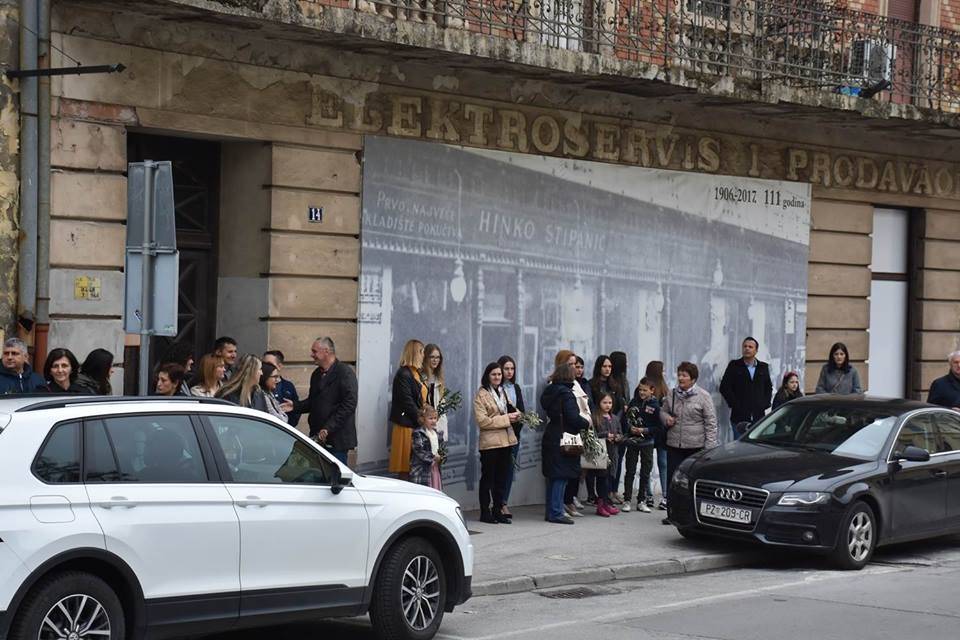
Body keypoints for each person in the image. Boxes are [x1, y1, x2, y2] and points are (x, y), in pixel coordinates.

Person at [660, 361, 718, 524]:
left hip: (695, 447)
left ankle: (692, 514)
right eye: (679, 374)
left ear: (693, 379)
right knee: (673, 480)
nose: (680, 378)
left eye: (684, 375)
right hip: (674, 445)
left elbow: (711, 422)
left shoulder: (703, 396)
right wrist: (666, 418)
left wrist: (709, 447)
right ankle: (672, 513)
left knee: (691, 481)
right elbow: (662, 411)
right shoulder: (672, 394)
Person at [284, 337, 358, 465]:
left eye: (314, 351)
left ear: (326, 351)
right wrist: (295, 406)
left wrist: (328, 428)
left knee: (336, 474)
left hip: (337, 439)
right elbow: (313, 401)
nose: (312, 355)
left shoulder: (345, 373)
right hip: (317, 437)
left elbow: (349, 404)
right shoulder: (316, 374)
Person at [540, 361, 590, 525]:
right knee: (561, 477)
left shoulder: (550, 391)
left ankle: (551, 511)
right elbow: (573, 417)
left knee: (553, 477)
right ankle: (556, 512)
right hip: (564, 437)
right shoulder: (566, 394)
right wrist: (586, 423)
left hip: (552, 435)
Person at [473, 361, 520, 524]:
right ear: (487, 376)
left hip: (505, 441)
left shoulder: (502, 391)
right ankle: (485, 512)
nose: (497, 377)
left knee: (501, 478)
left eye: (499, 374)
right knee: (488, 479)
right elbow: (483, 421)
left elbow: (510, 409)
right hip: (490, 443)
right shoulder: (481, 395)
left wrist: (517, 414)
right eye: (494, 374)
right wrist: (507, 418)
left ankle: (498, 510)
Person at [387, 339, 426, 480]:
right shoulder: (404, 373)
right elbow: (407, 401)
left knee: (414, 466)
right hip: (406, 426)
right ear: (415, 353)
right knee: (406, 466)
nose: (423, 355)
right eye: (422, 352)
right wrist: (421, 418)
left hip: (415, 424)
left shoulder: (416, 373)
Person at [621, 378, 659, 513]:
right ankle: (627, 500)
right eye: (640, 389)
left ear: (652, 390)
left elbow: (658, 427)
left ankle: (641, 501)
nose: (642, 392)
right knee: (630, 471)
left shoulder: (655, 405)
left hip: (647, 443)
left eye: (645, 390)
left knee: (645, 472)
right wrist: (630, 428)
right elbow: (626, 419)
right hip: (633, 441)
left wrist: (645, 430)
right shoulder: (633, 402)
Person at [719, 337, 773, 431]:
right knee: (739, 440)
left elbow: (768, 388)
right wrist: (734, 404)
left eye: (750, 347)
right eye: (745, 346)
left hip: (758, 417)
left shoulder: (763, 367)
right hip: (739, 417)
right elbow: (724, 387)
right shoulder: (734, 365)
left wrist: (764, 404)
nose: (747, 349)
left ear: (756, 350)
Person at [498, 354, 525, 518]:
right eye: (506, 368)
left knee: (509, 470)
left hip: (514, 434)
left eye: (512, 369)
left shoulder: (516, 388)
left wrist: (519, 419)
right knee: (498, 469)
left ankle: (504, 503)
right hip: (499, 433)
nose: (509, 372)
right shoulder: (497, 388)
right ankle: (496, 502)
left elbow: (522, 409)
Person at [645, 360, 671, 510]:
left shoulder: (665, 389)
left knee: (662, 463)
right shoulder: (645, 387)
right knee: (650, 463)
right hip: (650, 431)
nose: (664, 373)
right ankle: (649, 494)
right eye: (662, 370)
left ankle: (664, 495)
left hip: (660, 432)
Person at [590, 392, 621, 517]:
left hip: (612, 452)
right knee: (602, 478)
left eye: (610, 403)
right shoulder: (595, 417)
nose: (607, 405)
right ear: (599, 403)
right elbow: (592, 435)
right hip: (601, 453)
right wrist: (605, 435)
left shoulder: (615, 418)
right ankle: (601, 505)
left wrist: (617, 437)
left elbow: (620, 433)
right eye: (604, 402)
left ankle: (606, 503)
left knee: (609, 478)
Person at [608, 350, 630, 503]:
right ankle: (608, 491)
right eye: (625, 361)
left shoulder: (624, 380)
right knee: (611, 459)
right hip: (613, 423)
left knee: (619, 459)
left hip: (622, 424)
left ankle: (614, 490)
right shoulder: (612, 382)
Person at [410, 405, 444, 490]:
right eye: (430, 418)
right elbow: (418, 450)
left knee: (435, 488)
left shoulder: (437, 434)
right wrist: (433, 457)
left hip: (435, 467)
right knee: (425, 490)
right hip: (422, 469)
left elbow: (441, 450)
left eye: (435, 418)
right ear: (423, 419)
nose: (433, 421)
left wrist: (441, 457)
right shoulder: (418, 433)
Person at [263, 350, 300, 426]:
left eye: (270, 364)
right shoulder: (259, 389)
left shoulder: (288, 386)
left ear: (279, 366)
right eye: (264, 364)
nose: (266, 367)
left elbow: (296, 409)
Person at [422, 344, 448, 439]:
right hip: (424, 422)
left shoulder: (439, 377)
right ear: (425, 358)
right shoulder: (421, 376)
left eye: (437, 357)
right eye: (432, 357)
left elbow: (442, 403)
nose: (435, 360)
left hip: (438, 423)